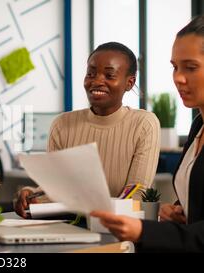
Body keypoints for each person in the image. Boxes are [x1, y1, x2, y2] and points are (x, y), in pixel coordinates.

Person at [91, 15, 204, 252]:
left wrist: (143, 230)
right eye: (174, 67)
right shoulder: (198, 126)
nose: (178, 78)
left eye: (191, 67)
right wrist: (178, 211)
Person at [14, 42, 161, 218]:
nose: (97, 81)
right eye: (90, 73)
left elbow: (138, 191)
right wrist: (32, 195)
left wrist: (100, 214)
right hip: (68, 227)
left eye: (109, 75)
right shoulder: (62, 124)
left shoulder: (144, 124)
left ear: (129, 83)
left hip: (119, 228)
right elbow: (56, 188)